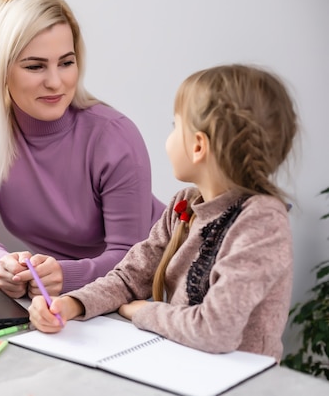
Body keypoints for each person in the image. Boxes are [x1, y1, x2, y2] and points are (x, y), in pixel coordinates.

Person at [28, 64, 299, 361]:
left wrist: (145, 312)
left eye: (175, 126)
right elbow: (130, 277)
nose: (169, 138)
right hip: (183, 364)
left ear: (198, 146)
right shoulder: (184, 205)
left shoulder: (262, 221)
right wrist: (70, 304)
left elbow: (216, 330)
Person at [0, 0, 164, 299]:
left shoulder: (113, 136)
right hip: (67, 298)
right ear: (1, 69)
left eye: (66, 62)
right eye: (35, 66)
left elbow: (132, 258)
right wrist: (1, 264)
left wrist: (66, 276)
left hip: (157, 283)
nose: (55, 82)